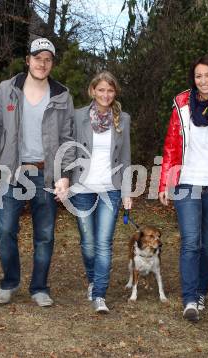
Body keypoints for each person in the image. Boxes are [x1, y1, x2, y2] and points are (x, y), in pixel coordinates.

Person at [0, 38, 75, 307]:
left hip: (45, 176)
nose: (42, 63)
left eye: (47, 59)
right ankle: (9, 283)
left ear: (52, 63)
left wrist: (65, 175)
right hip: (12, 173)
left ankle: (39, 287)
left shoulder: (61, 95)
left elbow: (68, 139)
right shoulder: (6, 90)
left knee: (45, 235)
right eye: (37, 58)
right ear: (28, 60)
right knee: (5, 229)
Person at [158, 55, 208, 322]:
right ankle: (190, 299)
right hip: (187, 182)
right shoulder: (182, 103)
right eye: (198, 76)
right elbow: (171, 144)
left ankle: (202, 290)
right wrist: (164, 182)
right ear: (192, 79)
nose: (203, 81)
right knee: (191, 242)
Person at [69, 71, 132, 313]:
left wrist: (127, 191)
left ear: (115, 93)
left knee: (103, 244)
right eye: (101, 90)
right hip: (81, 189)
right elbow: (70, 151)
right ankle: (93, 279)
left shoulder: (123, 119)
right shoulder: (77, 116)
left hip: (110, 190)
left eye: (110, 90)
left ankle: (99, 295)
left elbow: (125, 156)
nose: (106, 94)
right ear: (92, 91)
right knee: (88, 243)